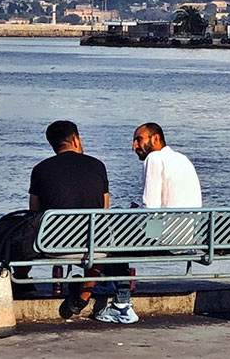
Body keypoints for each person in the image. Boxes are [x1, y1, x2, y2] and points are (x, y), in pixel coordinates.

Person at [93, 122, 202, 324]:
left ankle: (122, 304)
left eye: (139, 139)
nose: (134, 146)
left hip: (166, 240)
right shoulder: (183, 159)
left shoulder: (153, 158)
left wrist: (131, 215)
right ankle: (111, 283)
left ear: (156, 139)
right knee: (120, 227)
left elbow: (151, 209)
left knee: (111, 236)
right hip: (188, 237)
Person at [21, 120, 110, 318]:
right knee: (101, 239)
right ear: (76, 139)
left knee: (24, 230)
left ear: (53, 145)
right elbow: (104, 209)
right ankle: (82, 297)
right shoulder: (98, 166)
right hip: (93, 247)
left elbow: (34, 213)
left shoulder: (40, 169)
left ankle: (21, 282)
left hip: (52, 247)